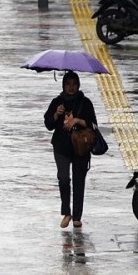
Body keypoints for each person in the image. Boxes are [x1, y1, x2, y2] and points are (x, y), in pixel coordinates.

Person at [44, 71, 98, 228]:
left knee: (78, 181)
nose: (71, 87)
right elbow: (48, 124)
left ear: (78, 85)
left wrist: (78, 120)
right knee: (63, 178)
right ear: (63, 85)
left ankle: (77, 216)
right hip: (61, 147)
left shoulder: (85, 103)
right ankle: (66, 213)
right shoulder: (57, 102)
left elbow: (94, 125)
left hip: (81, 148)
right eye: (68, 84)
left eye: (74, 84)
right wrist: (56, 114)